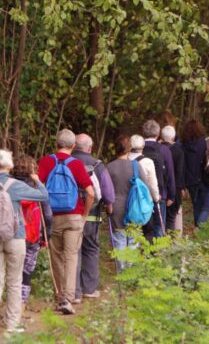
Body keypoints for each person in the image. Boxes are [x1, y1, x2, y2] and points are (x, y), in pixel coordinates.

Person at [0, 149, 48, 334]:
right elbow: (43, 196)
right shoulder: (16, 185)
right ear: (9, 164)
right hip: (16, 236)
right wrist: (36, 179)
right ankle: (11, 324)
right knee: (15, 280)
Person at [38, 129, 95, 315]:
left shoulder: (46, 161)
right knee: (71, 257)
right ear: (73, 146)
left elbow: (38, 190)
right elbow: (91, 193)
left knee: (57, 258)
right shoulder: (76, 165)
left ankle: (60, 296)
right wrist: (84, 215)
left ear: (56, 144)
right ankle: (68, 299)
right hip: (74, 216)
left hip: (53, 216)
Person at [72, 133, 115, 302]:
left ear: (74, 146)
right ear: (90, 148)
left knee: (72, 252)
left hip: (68, 214)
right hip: (91, 216)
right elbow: (108, 193)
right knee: (90, 249)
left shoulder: (65, 162)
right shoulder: (97, 165)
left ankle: (73, 293)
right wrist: (109, 206)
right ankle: (89, 289)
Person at [10, 154, 53, 306]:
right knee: (27, 269)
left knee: (13, 269)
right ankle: (21, 302)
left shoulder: (8, 186)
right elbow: (47, 213)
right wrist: (47, 233)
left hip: (13, 233)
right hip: (33, 234)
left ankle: (11, 302)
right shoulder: (36, 188)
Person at [107, 135, 150, 271]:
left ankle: (121, 270)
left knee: (119, 238)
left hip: (116, 206)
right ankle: (130, 270)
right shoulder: (136, 166)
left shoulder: (109, 167)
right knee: (133, 238)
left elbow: (106, 190)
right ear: (129, 148)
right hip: (135, 206)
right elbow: (145, 186)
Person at [181, 120, 209, 225]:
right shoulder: (207, 142)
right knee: (205, 207)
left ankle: (198, 227)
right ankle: (200, 229)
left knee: (196, 206)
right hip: (207, 178)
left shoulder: (183, 145)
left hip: (191, 181)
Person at [142, 119, 176, 237]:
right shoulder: (164, 149)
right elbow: (170, 173)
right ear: (158, 134)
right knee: (158, 226)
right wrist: (171, 194)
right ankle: (156, 253)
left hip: (140, 193)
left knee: (142, 226)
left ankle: (142, 252)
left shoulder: (137, 148)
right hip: (160, 193)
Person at [128, 134, 160, 243]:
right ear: (142, 147)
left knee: (131, 231)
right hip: (145, 202)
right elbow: (152, 183)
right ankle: (146, 255)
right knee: (148, 230)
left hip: (129, 201)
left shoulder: (125, 160)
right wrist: (156, 197)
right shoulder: (148, 162)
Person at [160, 125, 185, 234]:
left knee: (161, 219)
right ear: (173, 137)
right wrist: (181, 188)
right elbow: (179, 172)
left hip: (161, 189)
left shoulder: (158, 149)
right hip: (174, 188)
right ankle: (170, 244)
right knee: (171, 218)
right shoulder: (178, 151)